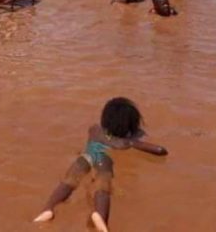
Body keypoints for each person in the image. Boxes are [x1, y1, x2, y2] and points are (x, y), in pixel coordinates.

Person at [33, 98, 167, 232]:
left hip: (85, 157)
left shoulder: (94, 129)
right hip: (103, 160)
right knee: (102, 187)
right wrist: (132, 141)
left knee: (67, 183)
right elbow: (160, 150)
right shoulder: (124, 143)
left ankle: (48, 209)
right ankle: (99, 216)